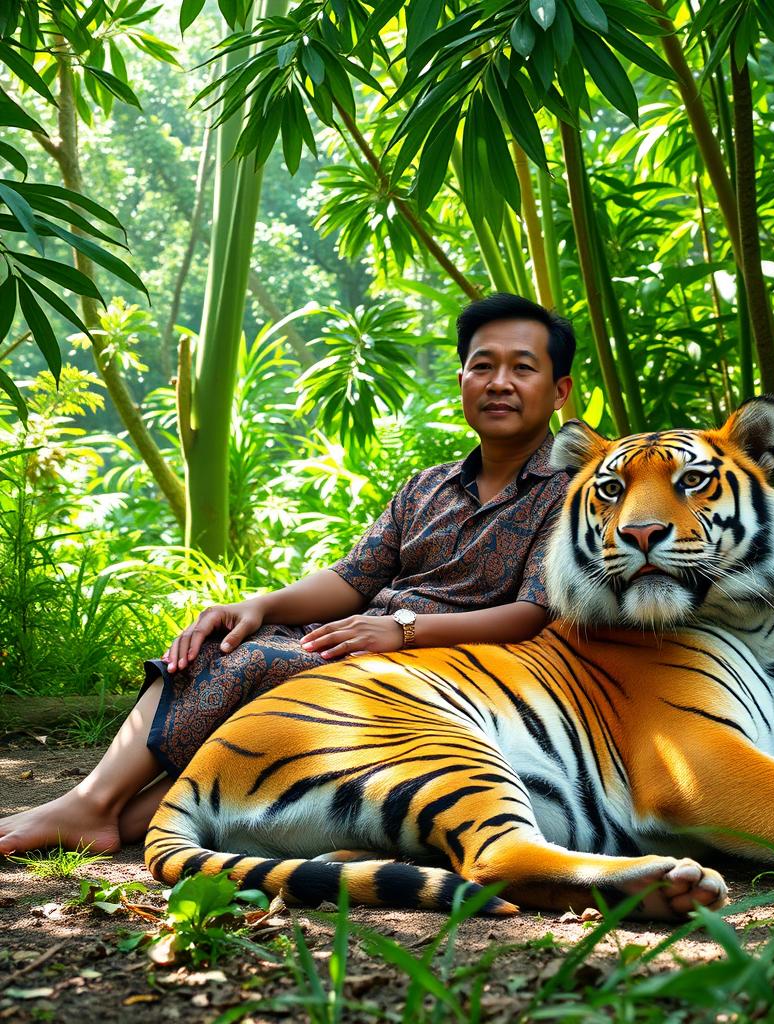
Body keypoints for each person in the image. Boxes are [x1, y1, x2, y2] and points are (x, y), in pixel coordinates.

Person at [0, 293, 575, 856]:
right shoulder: (426, 486)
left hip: (453, 667)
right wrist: (259, 606)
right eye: (483, 366)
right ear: (462, 380)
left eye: (523, 368)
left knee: (253, 663)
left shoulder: (575, 493)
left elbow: (533, 613)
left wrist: (402, 631)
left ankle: (89, 809)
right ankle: (99, 811)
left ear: (558, 392)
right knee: (222, 639)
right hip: (363, 641)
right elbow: (352, 579)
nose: (499, 382)